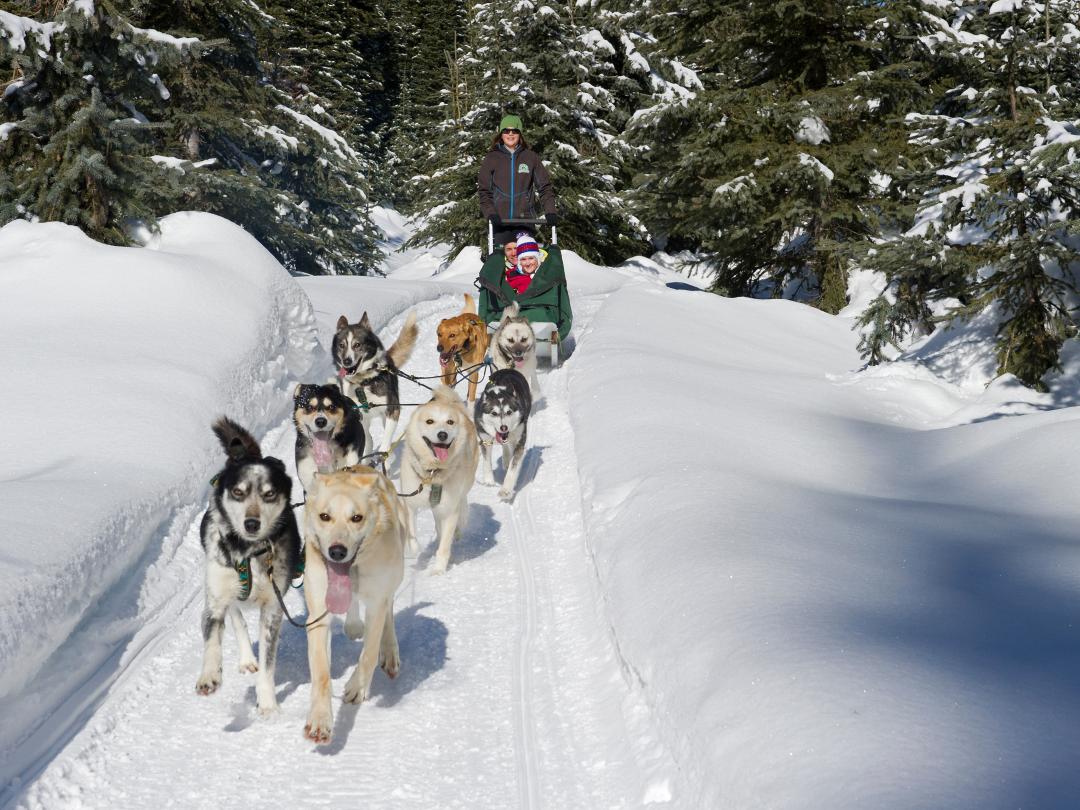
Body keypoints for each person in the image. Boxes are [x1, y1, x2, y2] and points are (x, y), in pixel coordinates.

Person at [478, 114, 558, 247]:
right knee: (502, 258)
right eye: (506, 131)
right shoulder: (492, 158)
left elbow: (545, 187)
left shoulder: (531, 157)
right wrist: (491, 213)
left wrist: (550, 211)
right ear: (501, 134)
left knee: (526, 258)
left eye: (514, 131)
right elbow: (484, 191)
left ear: (520, 134)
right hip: (500, 221)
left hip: (525, 221)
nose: (510, 134)